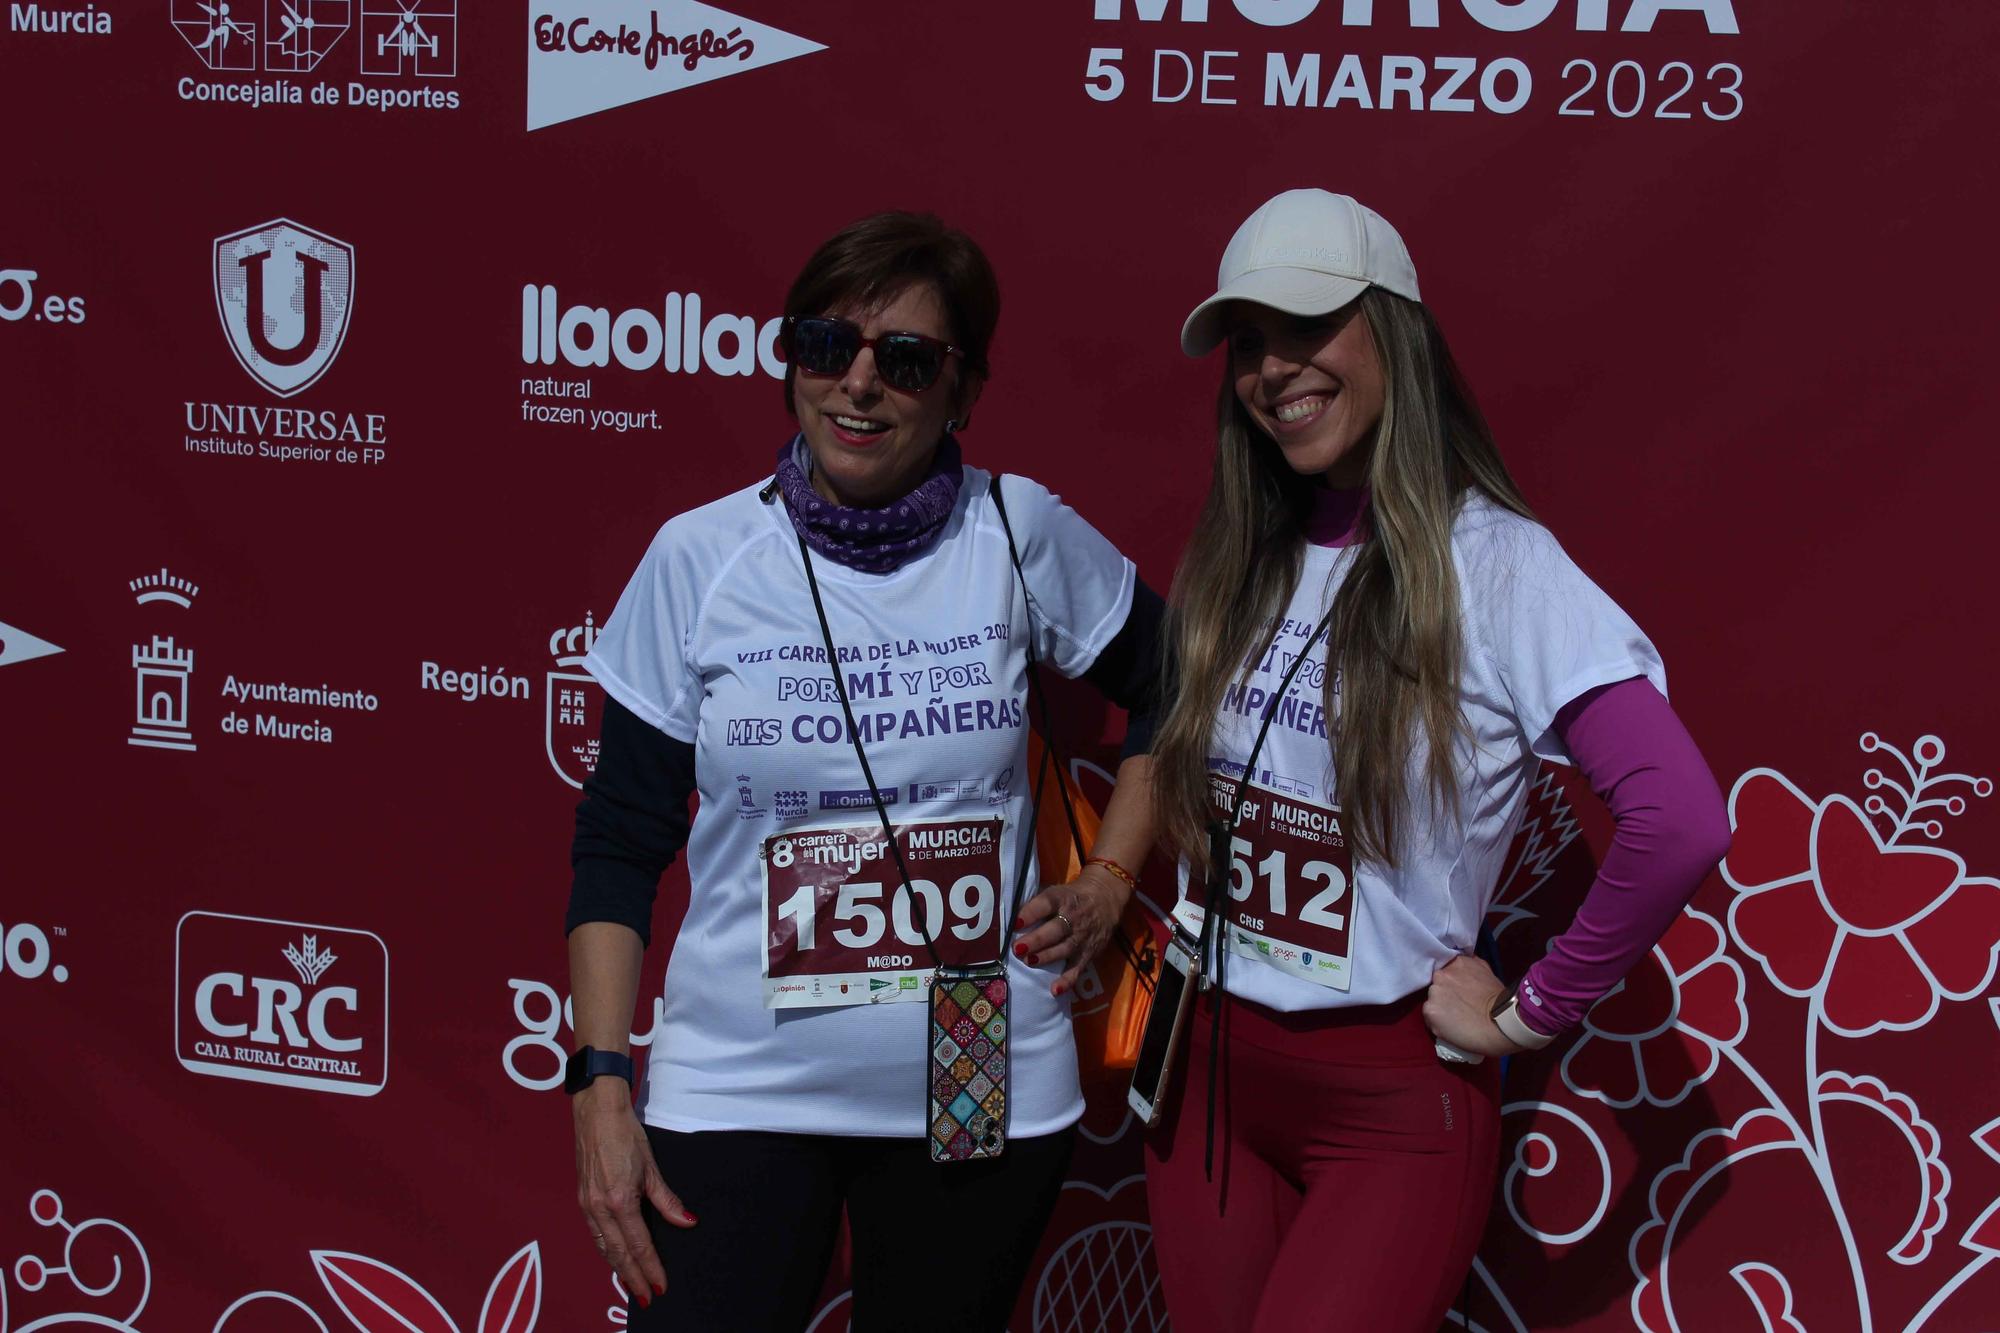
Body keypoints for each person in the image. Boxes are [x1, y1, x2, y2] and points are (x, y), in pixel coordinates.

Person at [1138, 188, 1732, 1331]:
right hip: (1205, 1082)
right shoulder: (1240, 554)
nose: (1271, 369)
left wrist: (1528, 1014)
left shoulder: (1500, 567)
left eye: (1304, 326)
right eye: (1248, 344)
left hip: (1387, 1111)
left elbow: (1678, 819)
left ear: (1394, 332)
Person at [563, 211, 1161, 1331]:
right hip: (739, 1077)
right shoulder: (700, 558)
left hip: (975, 1054)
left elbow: (1171, 686)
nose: (859, 385)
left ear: (963, 390)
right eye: (826, 344)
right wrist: (600, 1075)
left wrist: (1110, 880)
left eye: (906, 360)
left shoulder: (1013, 531)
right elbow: (619, 837)